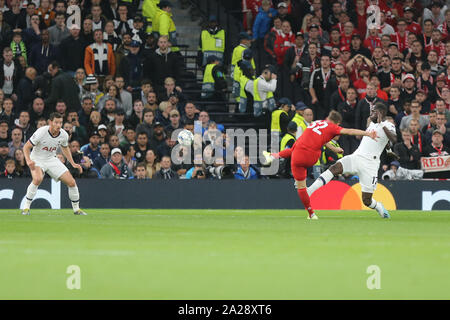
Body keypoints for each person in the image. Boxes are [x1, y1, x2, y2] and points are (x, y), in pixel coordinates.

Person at [264, 110, 378, 219]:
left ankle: (311, 213)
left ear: (328, 118)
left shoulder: (316, 122)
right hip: (311, 158)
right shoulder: (333, 127)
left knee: (297, 154)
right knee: (302, 149)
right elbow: (350, 131)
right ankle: (311, 215)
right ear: (337, 123)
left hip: (297, 157)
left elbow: (323, 138)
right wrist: (367, 133)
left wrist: (333, 148)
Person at [307, 103, 397, 219]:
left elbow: (393, 139)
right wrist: (388, 149)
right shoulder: (370, 124)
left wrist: (382, 127)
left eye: (373, 111)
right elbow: (383, 141)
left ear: (381, 113)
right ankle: (310, 191)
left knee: (367, 200)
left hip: (370, 164)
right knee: (334, 168)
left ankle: (379, 206)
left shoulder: (388, 125)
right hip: (357, 157)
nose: (371, 114)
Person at [21, 112, 87, 215]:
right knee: (37, 179)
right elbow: (26, 147)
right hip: (37, 159)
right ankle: (26, 208)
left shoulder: (64, 134)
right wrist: (28, 160)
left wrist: (73, 163)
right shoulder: (41, 132)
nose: (58, 125)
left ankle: (77, 209)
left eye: (60, 122)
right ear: (50, 122)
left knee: (71, 182)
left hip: (51, 159)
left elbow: (65, 148)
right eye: (56, 122)